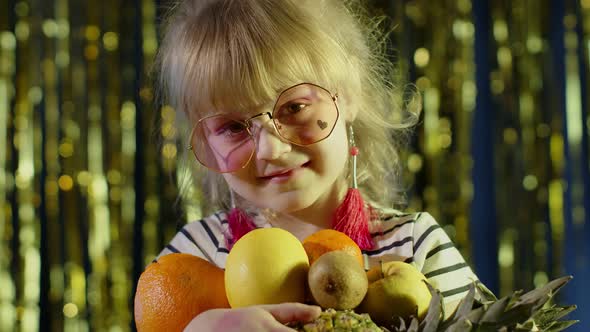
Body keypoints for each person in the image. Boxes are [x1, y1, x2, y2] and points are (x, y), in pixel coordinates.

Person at [151, 0, 483, 330]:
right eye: (234, 127)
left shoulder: (415, 247)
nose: (272, 149)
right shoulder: (195, 256)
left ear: (348, 94)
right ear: (206, 139)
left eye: (294, 107)